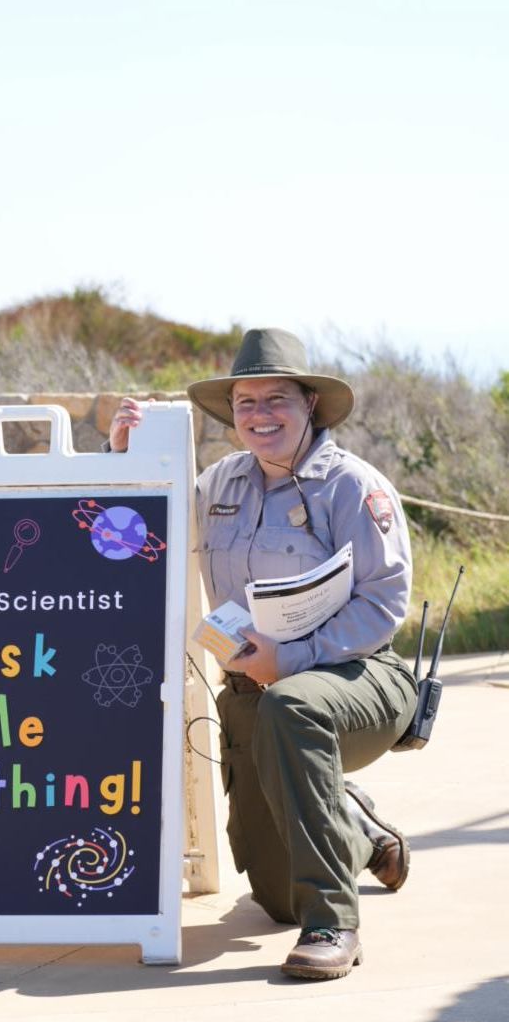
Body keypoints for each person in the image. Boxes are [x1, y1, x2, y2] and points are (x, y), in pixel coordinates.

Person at [109, 327, 418, 981]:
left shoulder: (352, 487)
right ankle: (354, 823)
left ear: (309, 403)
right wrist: (124, 466)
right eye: (245, 402)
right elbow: (138, 542)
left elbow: (386, 601)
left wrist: (298, 656)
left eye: (275, 398)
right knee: (275, 900)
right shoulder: (217, 483)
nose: (258, 414)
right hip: (251, 694)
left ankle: (334, 925)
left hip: (358, 679)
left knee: (291, 706)